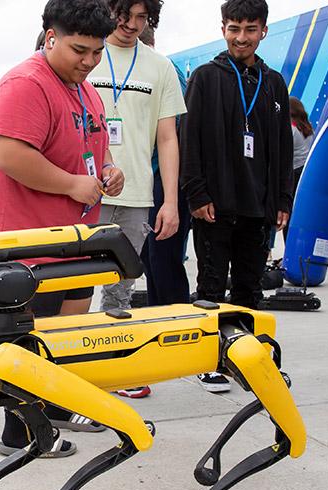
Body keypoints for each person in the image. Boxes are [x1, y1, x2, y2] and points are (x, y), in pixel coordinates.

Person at [0, 0, 120, 457]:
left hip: (76, 240)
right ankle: (21, 436)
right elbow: (10, 156)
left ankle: (58, 406)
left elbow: (95, 146)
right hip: (28, 244)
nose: (88, 61)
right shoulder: (25, 85)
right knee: (27, 341)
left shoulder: (86, 89)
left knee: (66, 335)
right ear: (49, 37)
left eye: (97, 52)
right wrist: (71, 185)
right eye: (79, 50)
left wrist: (109, 170)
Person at [180, 0, 293, 393]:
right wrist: (196, 193)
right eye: (233, 28)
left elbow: (281, 146)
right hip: (213, 203)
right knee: (211, 286)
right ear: (223, 28)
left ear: (263, 30)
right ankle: (208, 359)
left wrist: (282, 200)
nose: (240, 37)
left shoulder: (274, 81)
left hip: (258, 205)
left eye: (249, 29)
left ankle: (247, 357)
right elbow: (188, 139)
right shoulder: (206, 78)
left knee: (249, 287)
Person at [88, 0, 185, 325]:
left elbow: (168, 138)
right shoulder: (88, 53)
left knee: (120, 290)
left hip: (137, 196)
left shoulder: (160, 66)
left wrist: (170, 202)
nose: (131, 24)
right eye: (124, 15)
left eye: (141, 17)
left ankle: (111, 359)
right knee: (75, 285)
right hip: (86, 191)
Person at [138, 24, 191, 310]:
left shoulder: (166, 71)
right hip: (144, 177)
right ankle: (159, 316)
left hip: (164, 177)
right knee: (150, 260)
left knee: (164, 260)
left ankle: (177, 321)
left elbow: (175, 131)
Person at [277, 96, 314, 243]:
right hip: (304, 172)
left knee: (287, 212)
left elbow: (283, 154)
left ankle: (288, 248)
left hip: (292, 172)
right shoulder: (308, 129)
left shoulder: (291, 129)